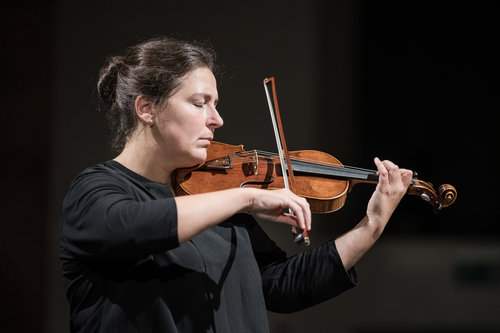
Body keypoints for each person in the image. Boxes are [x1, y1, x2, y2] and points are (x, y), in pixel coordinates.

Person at [60, 36, 413, 333]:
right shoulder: (94, 192)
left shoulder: (213, 195)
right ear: (146, 109)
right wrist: (245, 199)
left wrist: (372, 225)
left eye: (215, 104)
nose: (217, 119)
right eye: (200, 104)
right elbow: (138, 225)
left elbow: (279, 286)